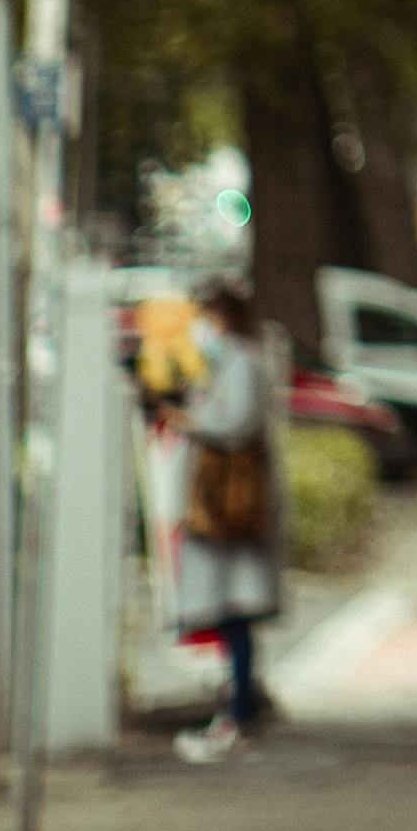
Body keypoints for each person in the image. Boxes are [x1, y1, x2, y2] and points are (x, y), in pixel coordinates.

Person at [171, 276, 288, 761]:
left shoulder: (240, 361)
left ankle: (240, 708)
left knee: (234, 610)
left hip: (230, 507)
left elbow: (233, 422)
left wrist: (188, 420)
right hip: (232, 508)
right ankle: (242, 702)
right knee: (234, 610)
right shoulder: (238, 359)